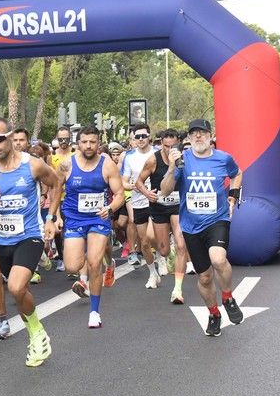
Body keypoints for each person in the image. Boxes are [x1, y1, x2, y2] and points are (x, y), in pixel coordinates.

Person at [0, 117, 59, 364]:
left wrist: (52, 218)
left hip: (30, 235)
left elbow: (55, 183)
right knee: (21, 292)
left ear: (11, 138)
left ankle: (36, 331)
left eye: (1, 139)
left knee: (15, 287)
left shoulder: (32, 165)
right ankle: (35, 333)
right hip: (2, 239)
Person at [160, 119, 245, 337]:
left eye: (202, 133)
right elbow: (166, 190)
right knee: (205, 277)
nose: (198, 137)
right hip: (191, 225)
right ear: (188, 138)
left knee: (218, 259)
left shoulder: (223, 158)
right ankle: (214, 313)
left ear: (210, 135)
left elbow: (237, 173)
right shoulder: (182, 161)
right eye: (194, 134)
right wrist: (171, 167)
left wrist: (233, 197)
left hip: (217, 219)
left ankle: (227, 298)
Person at [57, 125, 125, 328]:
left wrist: (110, 208)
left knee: (95, 263)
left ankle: (94, 311)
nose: (88, 146)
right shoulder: (66, 164)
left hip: (98, 218)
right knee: (71, 266)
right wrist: (53, 217)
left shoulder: (107, 165)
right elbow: (54, 190)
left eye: (92, 142)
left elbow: (120, 194)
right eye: (84, 142)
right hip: (74, 219)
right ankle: (98, 261)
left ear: (98, 144)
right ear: (78, 143)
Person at [137, 129, 190, 304]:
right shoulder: (153, 160)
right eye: (166, 146)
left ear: (179, 143)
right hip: (159, 207)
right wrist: (147, 193)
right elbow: (138, 181)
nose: (169, 149)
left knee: (181, 245)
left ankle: (177, 289)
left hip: (178, 206)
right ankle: (161, 261)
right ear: (161, 144)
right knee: (164, 250)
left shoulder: (184, 158)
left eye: (173, 146)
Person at [121, 123, 159, 284]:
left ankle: (161, 256)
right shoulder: (129, 157)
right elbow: (124, 180)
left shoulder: (157, 153)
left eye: (144, 136)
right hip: (138, 201)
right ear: (134, 139)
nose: (141, 139)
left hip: (157, 200)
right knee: (144, 242)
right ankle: (153, 273)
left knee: (153, 236)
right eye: (138, 137)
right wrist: (130, 186)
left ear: (149, 136)